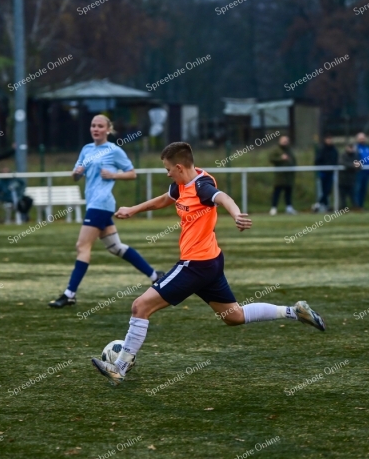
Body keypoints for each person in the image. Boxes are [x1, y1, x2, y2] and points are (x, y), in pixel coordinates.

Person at [90, 141, 325, 385]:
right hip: (210, 262)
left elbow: (222, 197)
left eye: (168, 169)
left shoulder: (202, 186)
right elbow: (163, 199)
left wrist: (236, 215)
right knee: (233, 316)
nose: (167, 173)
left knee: (140, 306)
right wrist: (133, 209)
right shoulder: (183, 184)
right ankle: (293, 311)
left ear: (179, 167)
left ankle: (120, 367)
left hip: (195, 264)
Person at [48, 115, 164, 309]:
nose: (96, 129)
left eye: (100, 126)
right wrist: (77, 172)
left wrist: (114, 175)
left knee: (82, 246)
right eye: (93, 125)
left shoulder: (114, 150)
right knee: (116, 247)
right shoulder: (86, 149)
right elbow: (75, 175)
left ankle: (69, 294)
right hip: (93, 203)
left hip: (101, 204)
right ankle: (155, 276)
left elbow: (132, 173)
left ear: (108, 129)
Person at [268, 135, 297, 215]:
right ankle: (274, 208)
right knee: (277, 192)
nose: (285, 142)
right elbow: (271, 159)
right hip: (279, 176)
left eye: (286, 140)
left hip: (288, 176)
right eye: (283, 140)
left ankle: (289, 208)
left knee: (288, 193)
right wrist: (281, 158)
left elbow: (293, 161)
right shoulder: (276, 150)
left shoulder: (289, 150)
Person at [313, 134, 338, 212]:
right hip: (323, 173)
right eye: (328, 139)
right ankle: (325, 206)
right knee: (325, 190)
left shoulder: (334, 150)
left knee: (327, 190)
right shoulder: (322, 150)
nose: (329, 141)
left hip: (331, 173)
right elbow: (317, 161)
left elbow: (336, 159)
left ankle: (318, 204)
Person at [354, 132, 369, 210]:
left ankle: (361, 206)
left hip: (367, 172)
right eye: (360, 138)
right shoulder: (356, 148)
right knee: (358, 189)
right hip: (359, 172)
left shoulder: (368, 147)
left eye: (363, 138)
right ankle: (357, 206)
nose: (362, 140)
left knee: (364, 190)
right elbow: (354, 159)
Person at [338, 143, 359, 209]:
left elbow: (359, 165)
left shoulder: (355, 155)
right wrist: (353, 166)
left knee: (353, 196)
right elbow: (342, 163)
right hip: (343, 180)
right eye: (349, 147)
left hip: (351, 180)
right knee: (342, 197)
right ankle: (343, 209)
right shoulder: (343, 155)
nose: (351, 149)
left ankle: (356, 208)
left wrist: (356, 165)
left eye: (352, 147)